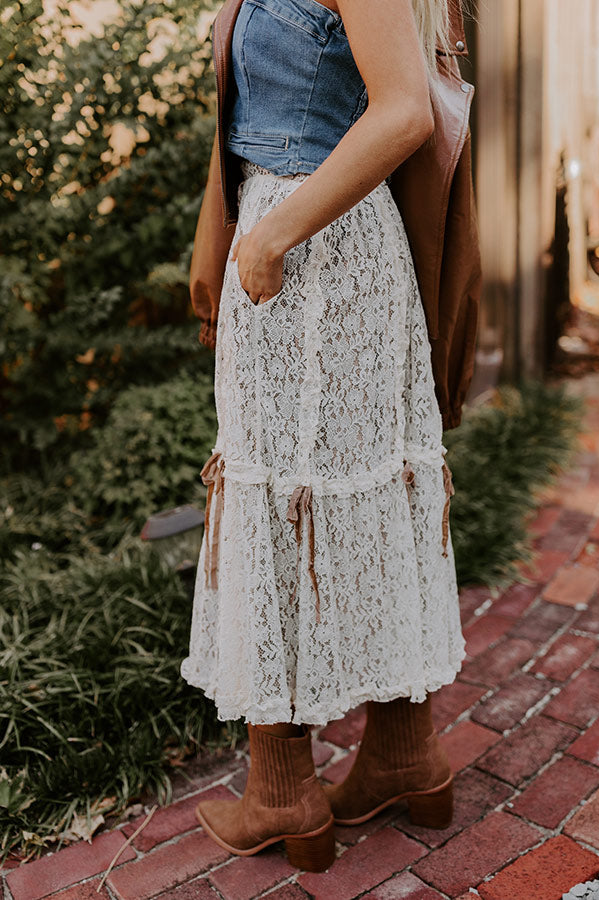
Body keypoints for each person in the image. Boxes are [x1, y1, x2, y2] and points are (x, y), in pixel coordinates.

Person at [181, 0, 477, 873]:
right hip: (302, 232)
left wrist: (269, 231)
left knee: (283, 498)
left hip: (315, 244)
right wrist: (222, 219)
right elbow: (246, 103)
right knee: (348, 488)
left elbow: (403, 111)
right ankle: (402, 756)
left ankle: (281, 793)